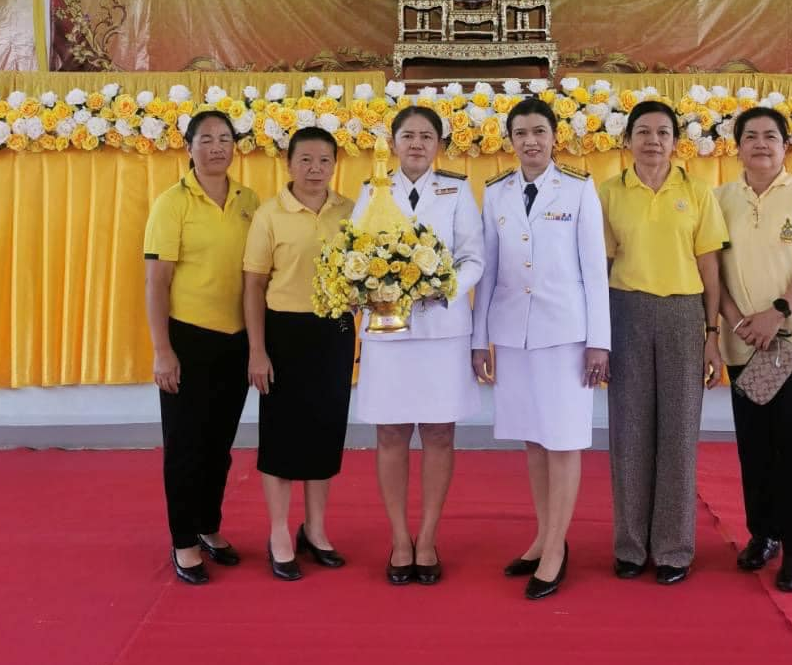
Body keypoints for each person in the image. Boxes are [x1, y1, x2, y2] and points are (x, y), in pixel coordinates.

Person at [472, 97, 610, 600]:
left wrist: (600, 342)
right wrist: (478, 339)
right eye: (521, 133)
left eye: (539, 131)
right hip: (513, 335)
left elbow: (595, 272)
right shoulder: (496, 193)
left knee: (563, 439)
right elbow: (486, 274)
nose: (531, 141)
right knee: (533, 438)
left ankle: (556, 549)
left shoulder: (577, 188)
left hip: (565, 336)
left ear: (555, 137)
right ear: (510, 141)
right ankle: (542, 535)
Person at [351, 105, 485, 584]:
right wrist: (365, 288)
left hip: (441, 332)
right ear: (392, 143)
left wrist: (443, 285)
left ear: (439, 146)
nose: (416, 144)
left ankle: (427, 537)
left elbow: (474, 257)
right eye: (407, 135)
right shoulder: (372, 190)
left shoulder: (456, 189)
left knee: (438, 433)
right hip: (388, 334)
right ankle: (399, 538)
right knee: (389, 433)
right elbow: (354, 256)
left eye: (427, 136)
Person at [598, 100, 727, 585]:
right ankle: (630, 546)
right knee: (628, 431)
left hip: (682, 315)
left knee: (678, 434)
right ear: (626, 139)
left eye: (663, 133)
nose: (653, 141)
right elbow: (603, 270)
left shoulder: (696, 192)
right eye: (643, 132)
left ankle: (674, 548)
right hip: (626, 313)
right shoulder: (609, 193)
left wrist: (711, 333)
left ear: (676, 141)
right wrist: (600, 336)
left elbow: (710, 268)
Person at [715, 107, 792, 594]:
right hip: (746, 343)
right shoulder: (721, 198)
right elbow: (712, 269)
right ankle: (763, 533)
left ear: (786, 145)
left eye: (771, 136)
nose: (761, 144)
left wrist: (777, 312)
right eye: (751, 137)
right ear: (738, 146)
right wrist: (735, 319)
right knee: (756, 445)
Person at [144, 107, 257, 585]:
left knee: (219, 445)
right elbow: (156, 282)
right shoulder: (173, 203)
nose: (217, 147)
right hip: (188, 339)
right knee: (186, 446)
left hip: (237, 340)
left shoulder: (250, 199)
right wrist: (162, 350)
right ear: (188, 147)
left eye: (225, 138)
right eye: (206, 139)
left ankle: (209, 525)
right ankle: (183, 539)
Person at [243, 128, 355, 582]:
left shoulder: (351, 211)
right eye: (305, 160)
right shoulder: (270, 214)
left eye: (324, 161)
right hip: (284, 333)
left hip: (335, 332)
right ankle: (278, 533)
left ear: (334, 165)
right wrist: (257, 350)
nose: (314, 170)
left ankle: (317, 530)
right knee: (283, 435)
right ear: (288, 165)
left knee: (326, 432)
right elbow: (252, 285)